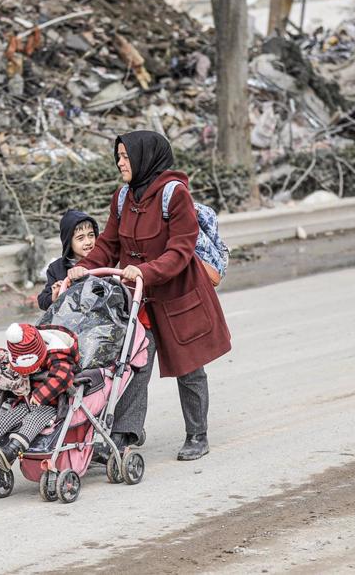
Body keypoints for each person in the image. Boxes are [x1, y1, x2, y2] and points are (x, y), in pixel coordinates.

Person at [68, 130, 232, 461]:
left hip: (179, 296)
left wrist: (147, 270)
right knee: (134, 364)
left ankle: (197, 434)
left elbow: (181, 248)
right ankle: (125, 434)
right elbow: (108, 245)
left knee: (189, 368)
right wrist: (83, 268)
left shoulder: (175, 194)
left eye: (126, 157)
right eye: (118, 156)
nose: (120, 162)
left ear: (145, 157)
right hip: (139, 299)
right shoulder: (122, 198)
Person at [0, 322, 79, 471]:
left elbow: (62, 377)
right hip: (25, 400)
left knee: (32, 420)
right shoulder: (18, 355)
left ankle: (11, 451)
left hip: (52, 405)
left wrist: (40, 395)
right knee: (6, 418)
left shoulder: (57, 355)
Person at [37, 210, 100, 311]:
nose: (88, 242)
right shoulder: (56, 268)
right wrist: (55, 296)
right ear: (68, 242)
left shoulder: (101, 262)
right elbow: (42, 300)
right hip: (69, 320)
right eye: (80, 238)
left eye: (91, 235)